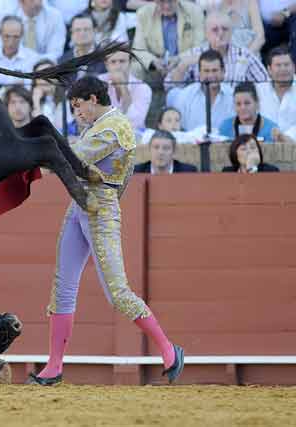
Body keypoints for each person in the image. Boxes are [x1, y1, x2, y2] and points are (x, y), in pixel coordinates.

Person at [26, 75, 183, 386]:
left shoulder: (115, 126)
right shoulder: (99, 126)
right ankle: (54, 366)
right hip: (81, 206)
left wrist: (39, 147)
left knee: (118, 293)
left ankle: (169, 349)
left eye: (78, 106)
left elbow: (74, 158)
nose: (77, 113)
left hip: (100, 211)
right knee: (63, 288)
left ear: (93, 100)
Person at [167, 11, 269, 89]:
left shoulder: (244, 55)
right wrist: (183, 65)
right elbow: (170, 87)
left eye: (225, 29)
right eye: (215, 29)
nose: (220, 33)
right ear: (206, 34)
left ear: (231, 32)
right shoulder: (194, 53)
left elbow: (266, 85)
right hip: (203, 109)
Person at [167, 49, 234, 133]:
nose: (211, 75)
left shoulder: (233, 96)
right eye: (206, 71)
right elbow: (179, 131)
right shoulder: (185, 96)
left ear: (223, 72)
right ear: (199, 74)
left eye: (215, 70)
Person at [99, 49, 152, 130]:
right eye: (113, 62)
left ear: (130, 63)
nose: (118, 66)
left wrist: (123, 87)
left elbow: (136, 122)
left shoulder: (142, 88)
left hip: (133, 136)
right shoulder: (98, 82)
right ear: (106, 64)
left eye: (122, 61)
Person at [197, 0, 265, 55]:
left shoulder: (250, 2)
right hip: (222, 57)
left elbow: (260, 37)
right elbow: (210, 36)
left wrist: (245, 56)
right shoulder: (216, 6)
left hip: (248, 55)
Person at [256, 47, 296, 132]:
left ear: (294, 67)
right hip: (264, 143)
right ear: (269, 70)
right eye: (278, 65)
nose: (283, 69)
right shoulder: (257, 91)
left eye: (286, 65)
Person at [0, 15, 39, 87]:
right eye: (7, 36)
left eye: (16, 37)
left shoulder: (33, 59)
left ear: (22, 35)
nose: (11, 42)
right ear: (0, 33)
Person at [58, 13, 107, 84]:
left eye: (86, 29)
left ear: (95, 31)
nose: (82, 33)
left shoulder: (105, 58)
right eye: (78, 30)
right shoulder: (62, 61)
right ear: (71, 33)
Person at [134, 130, 198, 174]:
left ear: (174, 151)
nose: (160, 152)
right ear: (149, 150)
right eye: (156, 147)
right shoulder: (136, 172)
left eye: (166, 148)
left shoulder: (188, 172)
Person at [31, 59, 66, 129]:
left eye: (49, 73)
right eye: (40, 75)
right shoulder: (30, 99)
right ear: (35, 81)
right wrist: (36, 102)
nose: (45, 79)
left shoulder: (67, 97)